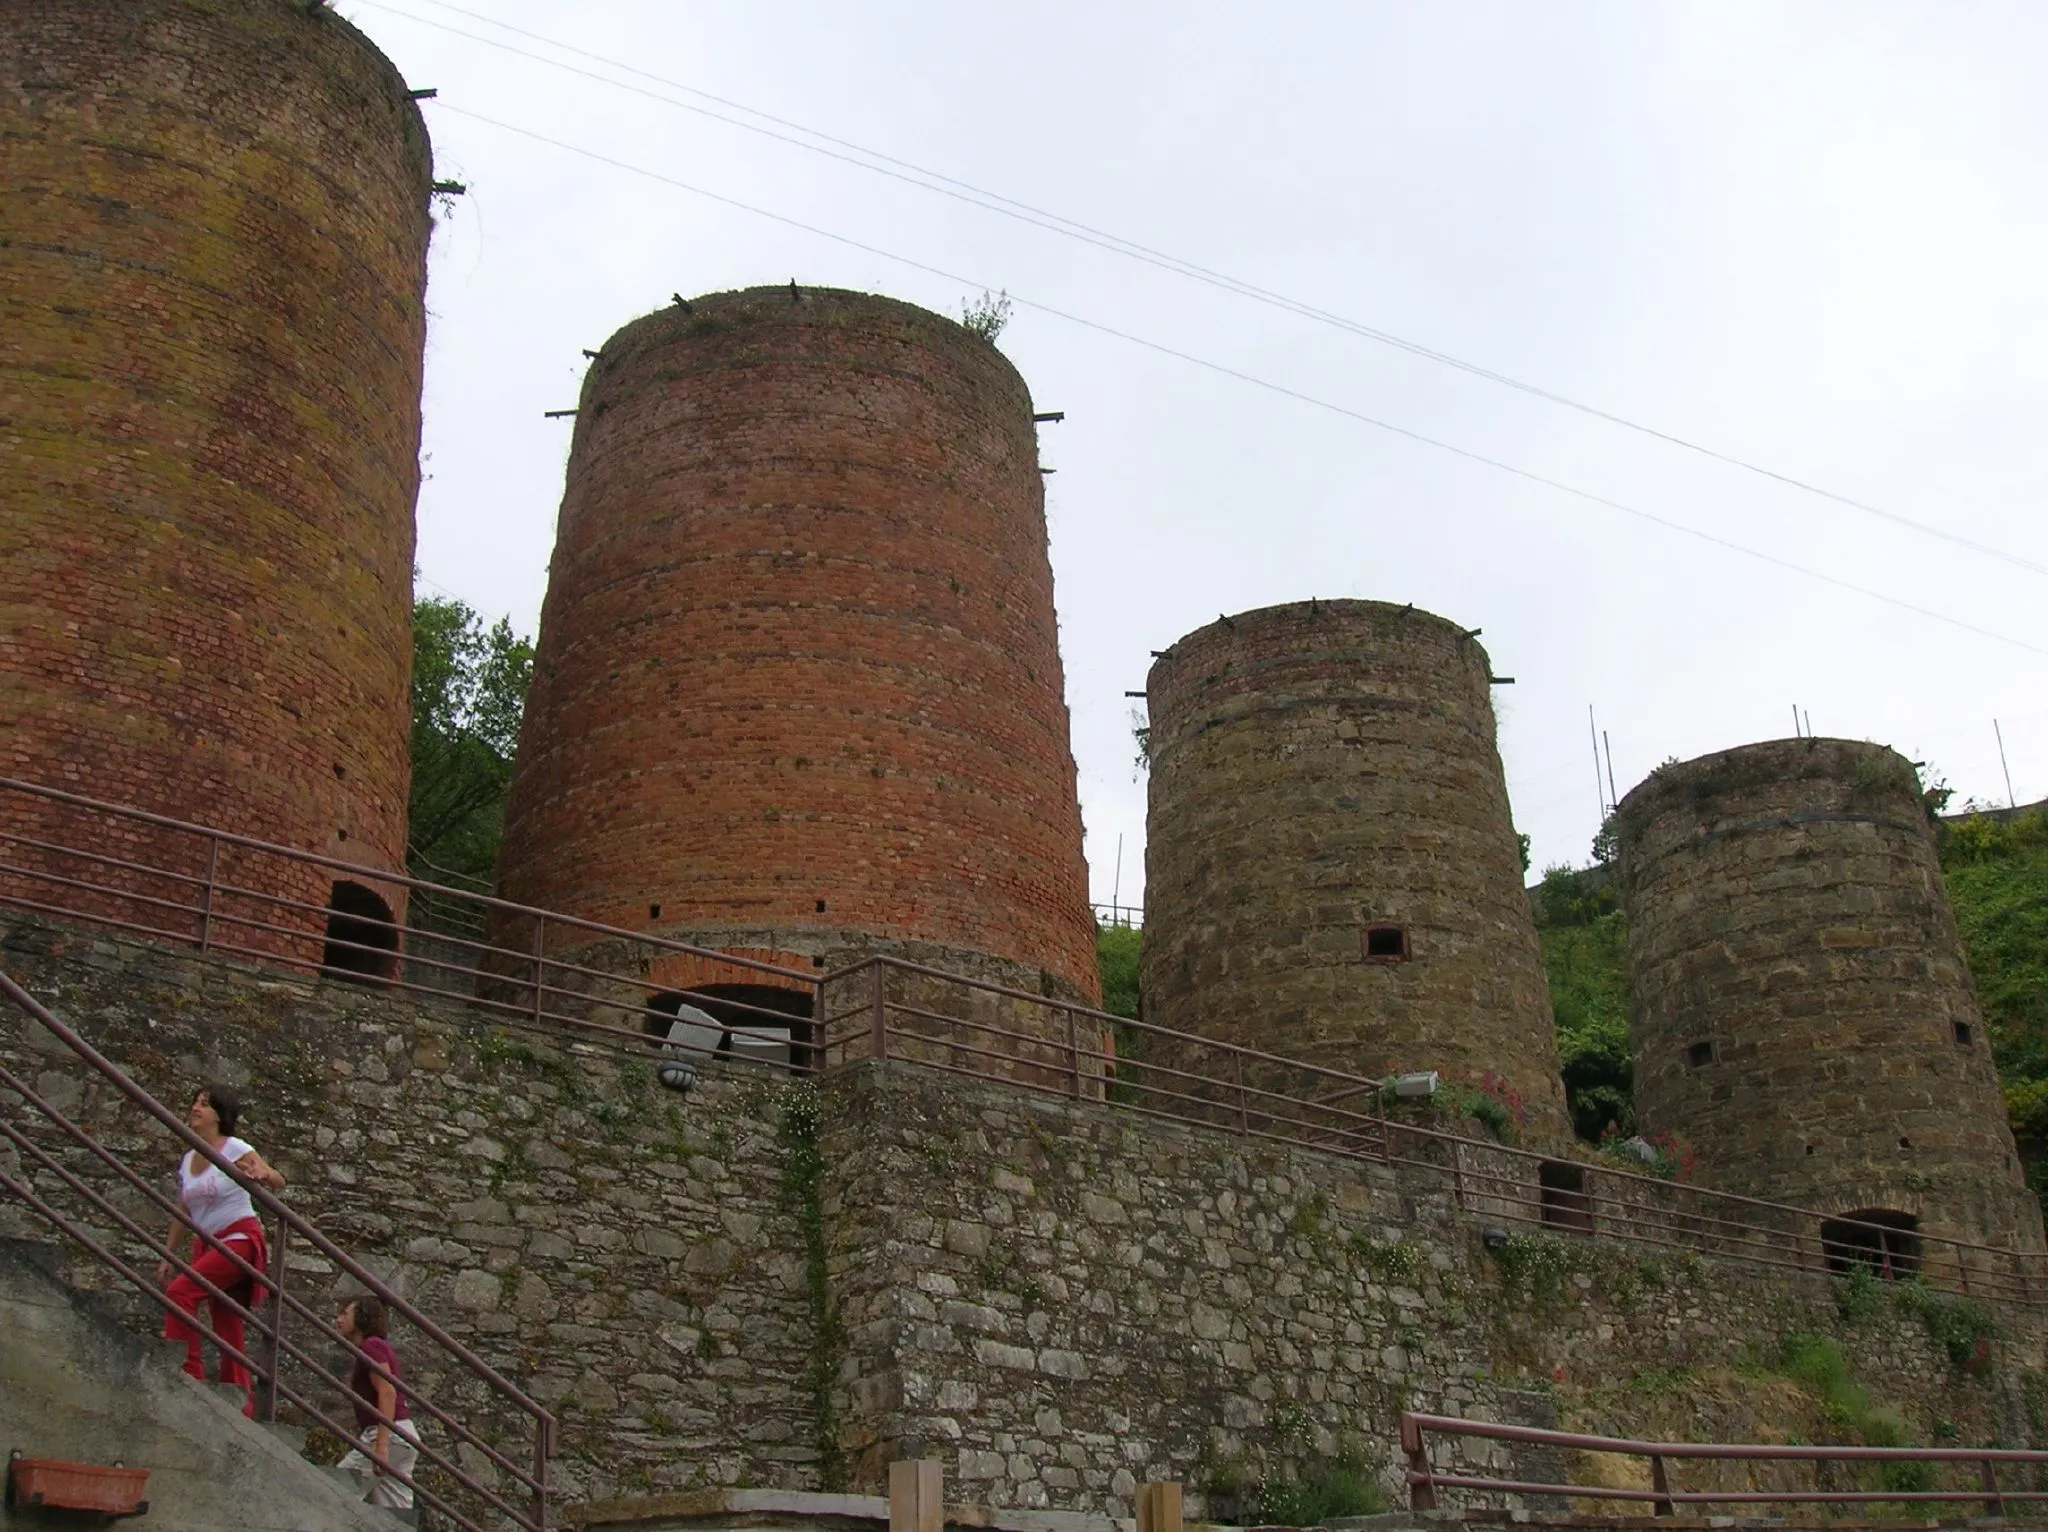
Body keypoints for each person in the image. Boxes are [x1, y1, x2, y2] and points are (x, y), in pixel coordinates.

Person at [155, 1082, 285, 1416]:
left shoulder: (233, 1147)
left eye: (204, 1104)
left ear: (218, 1116)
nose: (195, 1108)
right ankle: (240, 1399)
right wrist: (169, 1253)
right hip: (209, 1243)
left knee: (180, 1293)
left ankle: (189, 1370)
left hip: (239, 1238)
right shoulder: (188, 1160)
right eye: (195, 1102)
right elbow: (183, 1211)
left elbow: (276, 1178)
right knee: (226, 1319)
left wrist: (263, 1173)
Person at [335, 1295, 420, 1509]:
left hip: (388, 1435)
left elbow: (387, 1392)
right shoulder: (376, 1347)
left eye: (346, 1314)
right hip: (403, 1435)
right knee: (394, 1515)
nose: (339, 1319)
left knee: (336, 1490)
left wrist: (381, 1447)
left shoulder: (371, 1346)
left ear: (362, 1319)